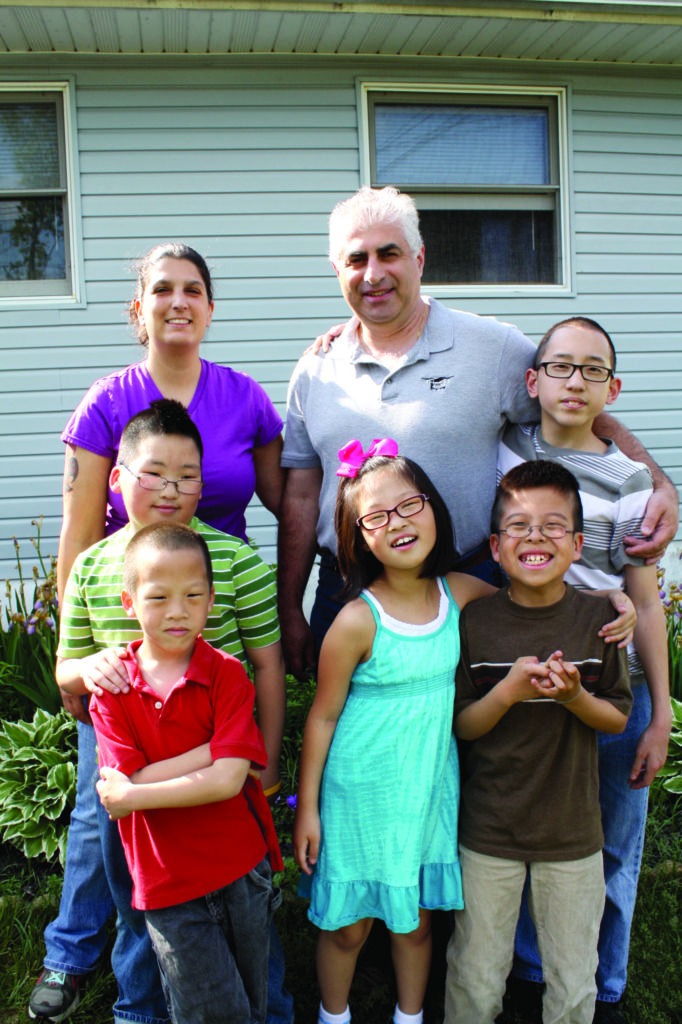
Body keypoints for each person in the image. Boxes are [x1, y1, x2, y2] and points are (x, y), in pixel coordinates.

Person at [278, 186, 678, 679]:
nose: (373, 274)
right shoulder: (316, 368)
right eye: (356, 259)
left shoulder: (492, 348)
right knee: (347, 736)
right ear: (337, 269)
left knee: (474, 741)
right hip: (345, 590)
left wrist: (657, 482)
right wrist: (290, 607)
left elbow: (573, 404)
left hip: (467, 589)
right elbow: (300, 494)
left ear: (420, 258)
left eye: (389, 254)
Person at [30, 401, 287, 1024]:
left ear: (207, 482)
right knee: (137, 888)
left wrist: (268, 760)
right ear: (117, 478)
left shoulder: (237, 562)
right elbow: (66, 668)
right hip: (125, 747)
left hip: (212, 740)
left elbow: (269, 667)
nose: (171, 489)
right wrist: (87, 668)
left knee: (246, 904)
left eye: (188, 475)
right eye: (154, 473)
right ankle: (139, 1004)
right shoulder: (92, 566)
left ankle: (270, 1006)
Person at [497, 317, 672, 1023]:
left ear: (613, 388)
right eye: (561, 367)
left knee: (610, 844)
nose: (575, 382)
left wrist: (660, 712)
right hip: (527, 687)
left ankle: (603, 986)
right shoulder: (505, 449)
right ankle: (534, 977)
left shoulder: (631, 479)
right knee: (533, 835)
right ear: (532, 381)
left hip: (608, 685)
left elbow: (647, 600)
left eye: (592, 370)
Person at [293, 439, 498, 1024]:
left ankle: (409, 1017)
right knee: (349, 926)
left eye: (409, 506)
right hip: (361, 794)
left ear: (433, 507)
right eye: (376, 517)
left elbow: (528, 608)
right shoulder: (358, 619)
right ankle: (335, 1016)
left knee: (416, 922)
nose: (398, 523)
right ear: (359, 537)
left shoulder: (458, 593)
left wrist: (608, 599)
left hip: (428, 791)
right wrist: (307, 810)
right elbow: (323, 717)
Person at [445, 460, 633, 1024]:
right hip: (487, 831)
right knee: (475, 974)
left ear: (577, 545)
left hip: (573, 834)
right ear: (497, 548)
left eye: (553, 526)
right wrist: (505, 692)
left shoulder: (600, 618)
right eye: (519, 526)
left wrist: (574, 697)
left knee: (574, 978)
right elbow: (463, 725)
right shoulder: (475, 622)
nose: (535, 537)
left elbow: (617, 719)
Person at [90, 522, 283, 1024]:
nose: (178, 611)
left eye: (193, 595)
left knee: (251, 1001)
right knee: (208, 1012)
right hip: (168, 878)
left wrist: (137, 793)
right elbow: (119, 786)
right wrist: (213, 752)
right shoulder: (112, 690)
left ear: (212, 598)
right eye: (158, 597)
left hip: (240, 866)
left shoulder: (226, 673)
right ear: (129, 601)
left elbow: (225, 780)